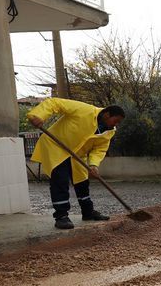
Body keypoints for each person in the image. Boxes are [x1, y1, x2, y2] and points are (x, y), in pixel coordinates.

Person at [27, 98, 125, 229]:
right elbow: (54, 103)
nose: (116, 124)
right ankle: (61, 216)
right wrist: (39, 115)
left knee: (82, 182)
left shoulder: (109, 132)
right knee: (60, 181)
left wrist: (94, 165)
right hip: (56, 147)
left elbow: (99, 149)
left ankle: (88, 212)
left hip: (77, 154)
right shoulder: (84, 110)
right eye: (116, 120)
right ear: (107, 115)